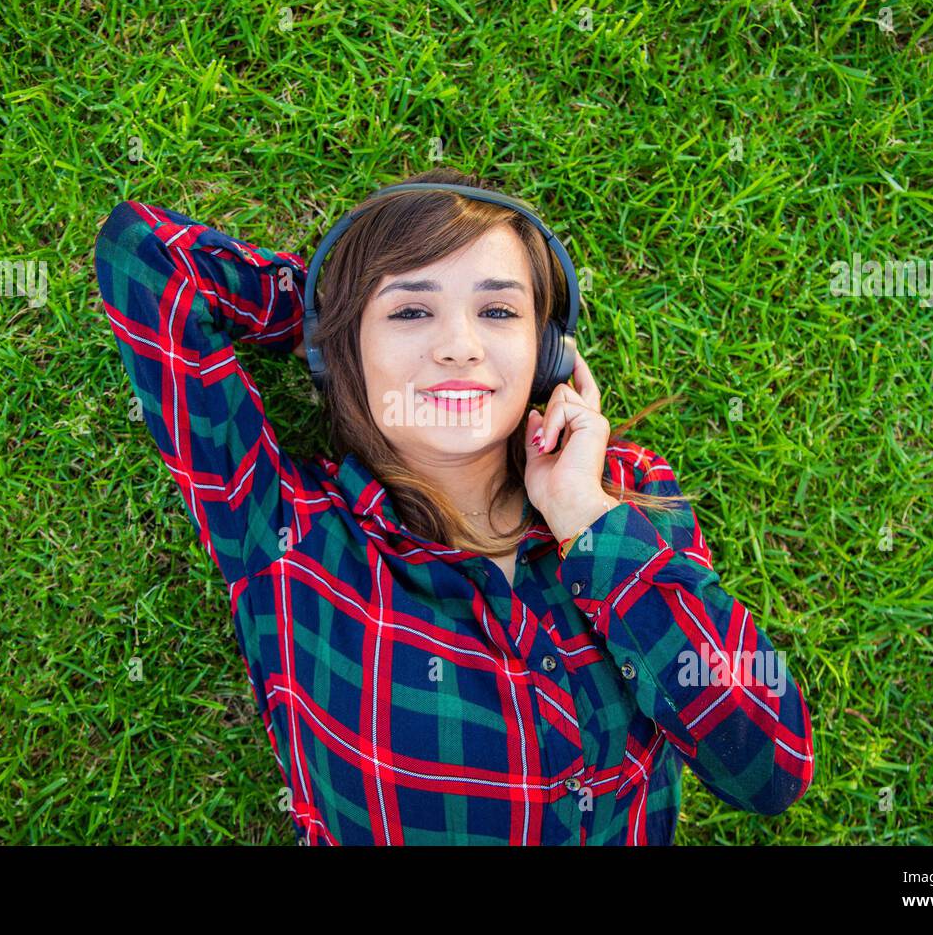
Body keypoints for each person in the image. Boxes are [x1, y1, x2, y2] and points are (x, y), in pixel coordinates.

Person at [93, 166, 814, 845]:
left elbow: (769, 769)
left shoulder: (630, 501)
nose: (459, 346)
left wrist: (584, 520)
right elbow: (146, 257)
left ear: (550, 352)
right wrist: (323, 319)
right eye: (410, 310)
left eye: (498, 310)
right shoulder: (284, 527)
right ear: (344, 349)